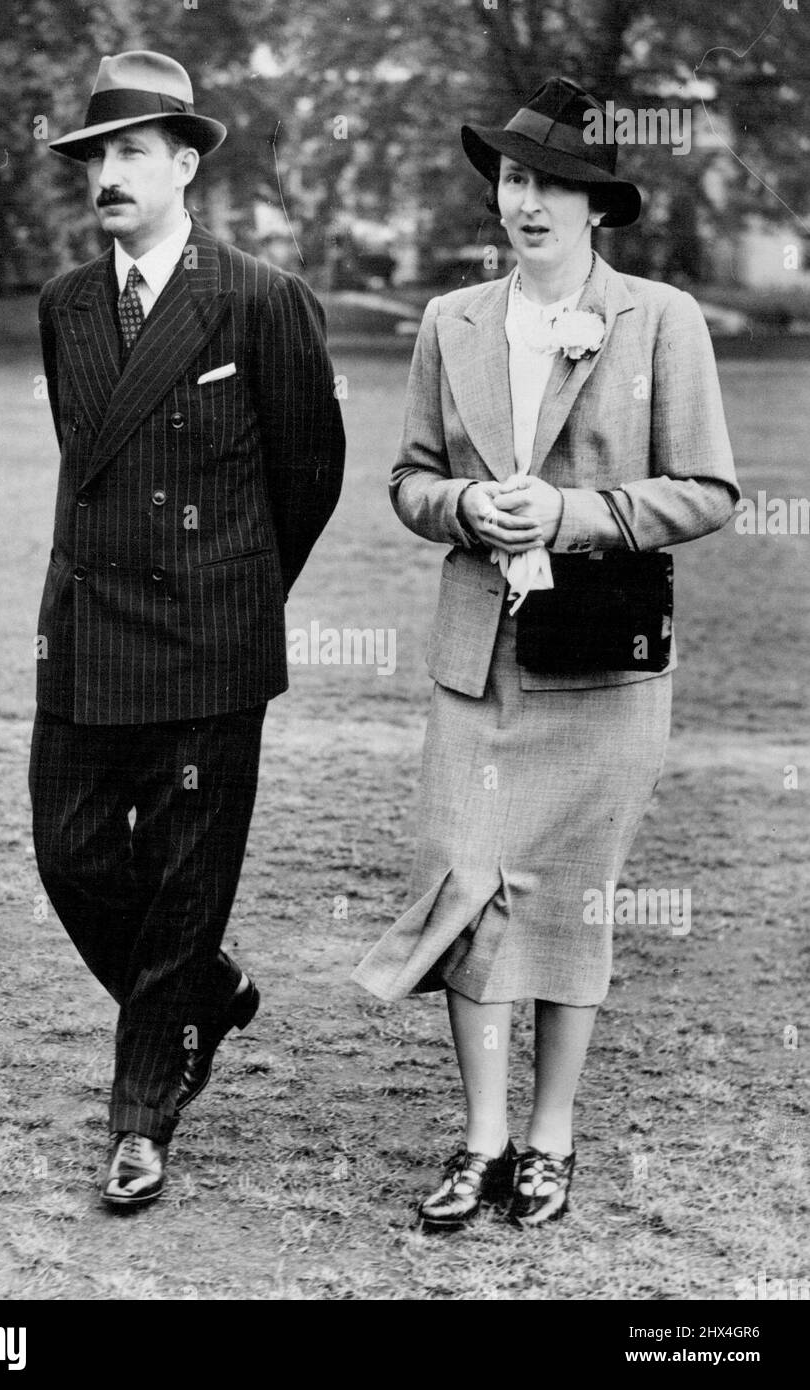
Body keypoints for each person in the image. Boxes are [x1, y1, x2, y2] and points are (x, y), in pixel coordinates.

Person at [352, 76, 738, 1230]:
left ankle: (549, 1137)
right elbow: (406, 479)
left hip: (604, 667)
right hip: (480, 662)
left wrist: (572, 516)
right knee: (464, 886)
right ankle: (477, 1138)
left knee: (568, 899)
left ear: (594, 208)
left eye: (551, 186)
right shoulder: (449, 321)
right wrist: (470, 507)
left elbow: (708, 489)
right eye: (514, 179)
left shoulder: (659, 317)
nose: (526, 203)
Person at [30, 51, 345, 1208]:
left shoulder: (258, 298)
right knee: (68, 852)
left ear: (183, 163)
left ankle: (141, 1117)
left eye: (128, 153)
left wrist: (234, 591)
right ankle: (205, 990)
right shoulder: (66, 303)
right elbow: (82, 454)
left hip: (209, 638)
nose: (106, 175)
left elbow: (309, 469)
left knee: (179, 881)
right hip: (84, 626)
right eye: (92, 156)